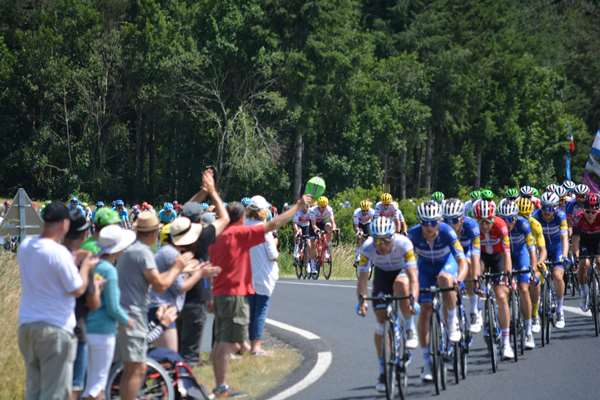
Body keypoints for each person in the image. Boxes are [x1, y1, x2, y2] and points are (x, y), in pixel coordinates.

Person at [209, 194, 311, 398]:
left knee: (224, 340)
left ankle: (221, 385)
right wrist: (297, 207)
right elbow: (274, 224)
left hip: (219, 293)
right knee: (232, 342)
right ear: (240, 218)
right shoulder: (239, 233)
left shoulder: (217, 235)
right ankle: (222, 384)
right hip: (233, 294)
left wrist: (212, 192)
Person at [115, 211, 200, 400]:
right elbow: (160, 285)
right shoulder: (143, 253)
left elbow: (156, 280)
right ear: (154, 233)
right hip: (133, 313)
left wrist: (180, 268)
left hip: (130, 311)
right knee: (135, 368)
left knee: (137, 366)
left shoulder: (132, 250)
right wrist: (178, 267)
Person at [17, 202, 98, 400]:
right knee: (54, 393)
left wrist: (71, 259)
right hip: (54, 329)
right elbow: (77, 289)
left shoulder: (26, 246)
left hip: (27, 326)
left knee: (34, 390)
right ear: (63, 224)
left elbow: (48, 269)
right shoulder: (58, 253)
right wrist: (85, 267)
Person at [356, 216, 418, 392]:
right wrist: (362, 300)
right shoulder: (367, 248)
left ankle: (409, 328)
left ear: (393, 236)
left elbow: (414, 276)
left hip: (402, 272)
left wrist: (413, 297)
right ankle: (383, 370)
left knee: (402, 286)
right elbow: (362, 278)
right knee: (381, 323)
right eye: (377, 240)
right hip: (382, 276)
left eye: (386, 240)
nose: (381, 245)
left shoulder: (404, 244)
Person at [408, 201, 467, 382]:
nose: (429, 227)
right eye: (424, 223)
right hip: (425, 269)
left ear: (439, 221)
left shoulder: (448, 232)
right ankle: (427, 362)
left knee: (445, 280)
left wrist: (459, 279)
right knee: (425, 310)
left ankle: (451, 322)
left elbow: (462, 261)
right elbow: (405, 262)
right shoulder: (413, 234)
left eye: (433, 223)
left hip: (446, 265)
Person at [178, 168, 230, 364]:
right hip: (197, 292)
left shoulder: (174, 232)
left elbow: (185, 210)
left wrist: (203, 191)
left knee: (177, 347)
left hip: (176, 294)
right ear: (199, 219)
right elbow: (224, 218)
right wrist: (212, 191)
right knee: (190, 353)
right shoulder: (203, 234)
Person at [149, 216, 221, 352]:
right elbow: (180, 287)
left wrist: (189, 269)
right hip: (163, 309)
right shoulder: (171, 254)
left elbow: (173, 276)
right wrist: (200, 273)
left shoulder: (166, 252)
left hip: (164, 307)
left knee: (170, 354)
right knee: (170, 357)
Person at [83, 225, 136, 400]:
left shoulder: (92, 265)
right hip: (104, 332)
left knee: (87, 382)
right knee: (98, 385)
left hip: (86, 329)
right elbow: (113, 307)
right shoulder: (110, 271)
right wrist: (127, 320)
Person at [63, 209, 103, 400]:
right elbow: (93, 302)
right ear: (84, 233)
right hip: (78, 327)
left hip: (50, 325)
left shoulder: (54, 256)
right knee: (76, 385)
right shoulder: (83, 261)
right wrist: (95, 285)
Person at [474, 200, 515, 359]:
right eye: (481, 222)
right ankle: (477, 312)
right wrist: (476, 278)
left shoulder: (501, 226)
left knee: (501, 295)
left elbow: (507, 253)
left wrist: (508, 275)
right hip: (483, 258)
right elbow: (475, 256)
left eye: (487, 222)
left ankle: (506, 343)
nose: (484, 226)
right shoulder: (474, 229)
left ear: (493, 218)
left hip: (498, 258)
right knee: (475, 277)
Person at [498, 199, 537, 349]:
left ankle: (528, 330)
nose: (507, 223)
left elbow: (531, 249)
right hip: (504, 256)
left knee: (524, 288)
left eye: (511, 219)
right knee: (503, 290)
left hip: (521, 255)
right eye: (503, 219)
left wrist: (533, 268)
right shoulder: (498, 226)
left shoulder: (523, 224)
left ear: (516, 217)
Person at [246, 195, 280, 356]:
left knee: (251, 311)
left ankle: (249, 343)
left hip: (247, 275)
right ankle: (256, 346)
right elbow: (273, 255)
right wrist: (275, 244)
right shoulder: (263, 229)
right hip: (263, 275)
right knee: (260, 311)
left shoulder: (243, 227)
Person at [442, 199, 482, 333]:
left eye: (454, 221)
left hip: (468, 252)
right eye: (446, 220)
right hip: (451, 255)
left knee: (469, 264)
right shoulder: (442, 228)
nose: (450, 225)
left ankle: (474, 310)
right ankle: (448, 331)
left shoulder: (471, 225)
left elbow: (476, 253)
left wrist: (476, 277)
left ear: (462, 219)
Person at [533, 191, 569, 329]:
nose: (546, 212)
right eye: (544, 207)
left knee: (557, 275)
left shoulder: (561, 216)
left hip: (557, 248)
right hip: (541, 248)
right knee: (535, 277)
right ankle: (536, 309)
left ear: (556, 207)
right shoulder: (536, 216)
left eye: (550, 208)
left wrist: (565, 256)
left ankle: (560, 309)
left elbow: (565, 239)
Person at [515, 197, 547, 334]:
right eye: (520, 215)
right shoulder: (512, 225)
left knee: (535, 281)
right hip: (518, 258)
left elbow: (542, 249)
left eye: (526, 215)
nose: (523, 218)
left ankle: (534, 315)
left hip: (534, 258)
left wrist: (539, 262)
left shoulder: (535, 225)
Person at [571, 193, 600, 312]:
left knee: (599, 260)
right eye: (588, 211)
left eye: (594, 212)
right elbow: (576, 241)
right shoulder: (578, 218)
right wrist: (576, 258)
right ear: (584, 210)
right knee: (585, 263)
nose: (590, 215)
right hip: (584, 241)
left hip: (598, 240)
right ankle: (584, 292)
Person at [309, 196, 338, 262]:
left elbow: (332, 221)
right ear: (318, 205)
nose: (323, 208)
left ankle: (326, 247)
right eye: (322, 207)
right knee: (312, 244)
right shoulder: (312, 210)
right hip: (313, 225)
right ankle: (313, 262)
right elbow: (313, 224)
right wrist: (316, 230)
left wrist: (333, 228)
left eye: (325, 206)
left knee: (329, 226)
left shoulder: (329, 209)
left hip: (322, 223)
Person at [352, 200, 375, 264]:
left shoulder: (372, 212)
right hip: (359, 225)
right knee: (359, 237)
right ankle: (357, 256)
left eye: (366, 210)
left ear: (369, 209)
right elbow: (356, 226)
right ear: (360, 209)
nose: (365, 212)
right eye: (363, 211)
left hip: (367, 224)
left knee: (371, 238)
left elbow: (375, 223)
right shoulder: (356, 213)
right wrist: (358, 231)